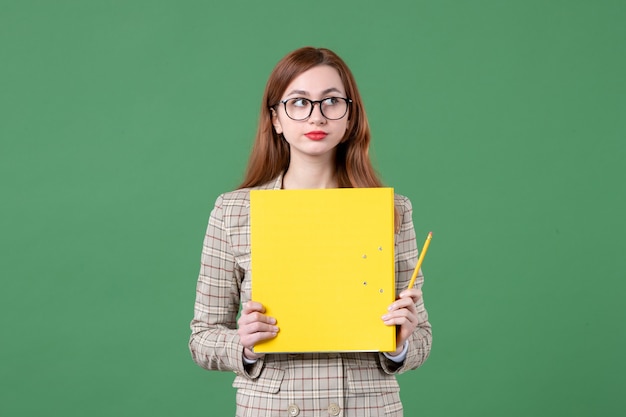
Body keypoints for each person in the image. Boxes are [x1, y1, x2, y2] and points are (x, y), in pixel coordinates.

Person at [189, 46, 432, 417]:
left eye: (331, 102)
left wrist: (399, 343)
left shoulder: (391, 210)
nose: (316, 116)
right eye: (299, 102)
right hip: (272, 407)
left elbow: (423, 337)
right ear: (275, 118)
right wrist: (245, 342)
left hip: (367, 407)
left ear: (349, 116)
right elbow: (202, 338)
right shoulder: (234, 211)